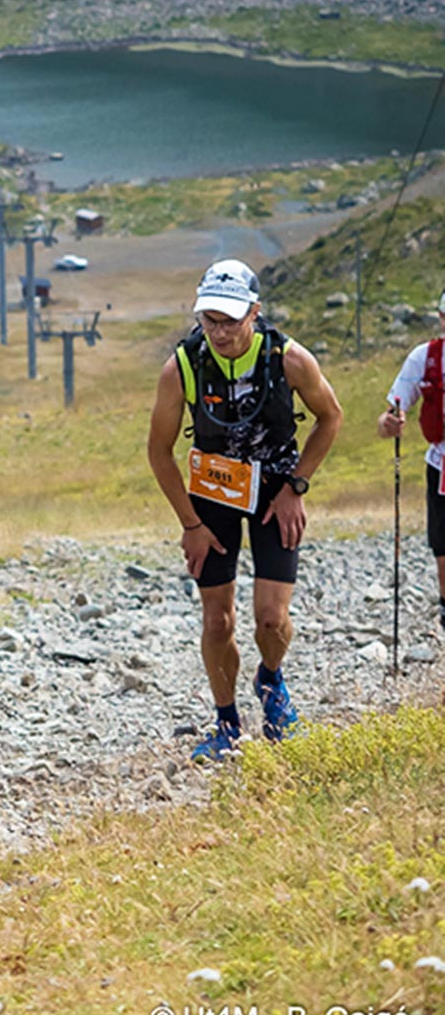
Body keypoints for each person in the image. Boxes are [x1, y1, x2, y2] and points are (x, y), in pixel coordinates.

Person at [146, 259, 343, 763]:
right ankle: (227, 723)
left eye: (231, 320)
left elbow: (330, 417)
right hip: (212, 496)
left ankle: (272, 682)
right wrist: (190, 523)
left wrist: (296, 486)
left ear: (255, 312)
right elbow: (158, 451)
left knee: (272, 620)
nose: (220, 332)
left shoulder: (289, 358)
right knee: (217, 622)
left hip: (275, 490)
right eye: (210, 320)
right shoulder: (183, 366)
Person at [376, 288, 445, 632]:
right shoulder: (425, 358)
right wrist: (390, 424)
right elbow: (388, 417)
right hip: (442, 467)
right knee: (443, 549)